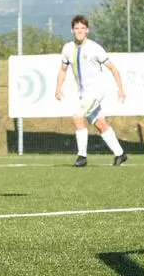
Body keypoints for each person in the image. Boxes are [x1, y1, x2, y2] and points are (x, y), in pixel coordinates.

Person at [55, 15, 128, 167]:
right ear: (72, 30)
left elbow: (113, 69)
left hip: (96, 91)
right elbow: (63, 70)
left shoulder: (95, 48)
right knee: (100, 123)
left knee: (77, 116)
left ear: (87, 30)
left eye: (82, 28)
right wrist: (58, 87)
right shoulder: (68, 48)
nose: (79, 31)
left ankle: (82, 156)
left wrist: (120, 89)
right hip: (83, 92)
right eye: (76, 28)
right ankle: (120, 154)